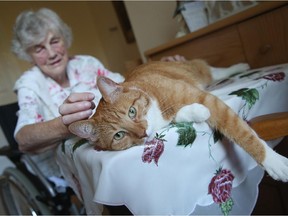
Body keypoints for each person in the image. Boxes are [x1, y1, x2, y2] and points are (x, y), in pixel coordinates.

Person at [12, 8, 185, 184]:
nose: (51, 53)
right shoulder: (29, 84)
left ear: (64, 38)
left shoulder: (86, 63)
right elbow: (23, 140)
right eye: (39, 49)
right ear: (28, 55)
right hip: (77, 165)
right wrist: (64, 125)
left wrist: (161, 72)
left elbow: (126, 88)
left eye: (54, 41)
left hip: (125, 140)